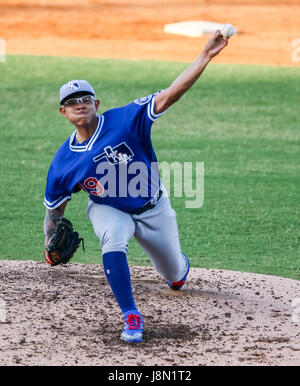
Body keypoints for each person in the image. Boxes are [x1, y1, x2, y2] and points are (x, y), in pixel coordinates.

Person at [43, 30, 229, 343]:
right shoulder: (63, 163)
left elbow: (170, 94)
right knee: (112, 239)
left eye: (85, 99)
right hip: (109, 208)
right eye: (71, 102)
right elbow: (54, 211)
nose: (79, 104)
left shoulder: (126, 119)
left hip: (153, 207)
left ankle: (178, 269)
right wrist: (49, 245)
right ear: (64, 112)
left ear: (96, 103)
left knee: (175, 275)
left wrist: (206, 55)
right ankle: (131, 314)